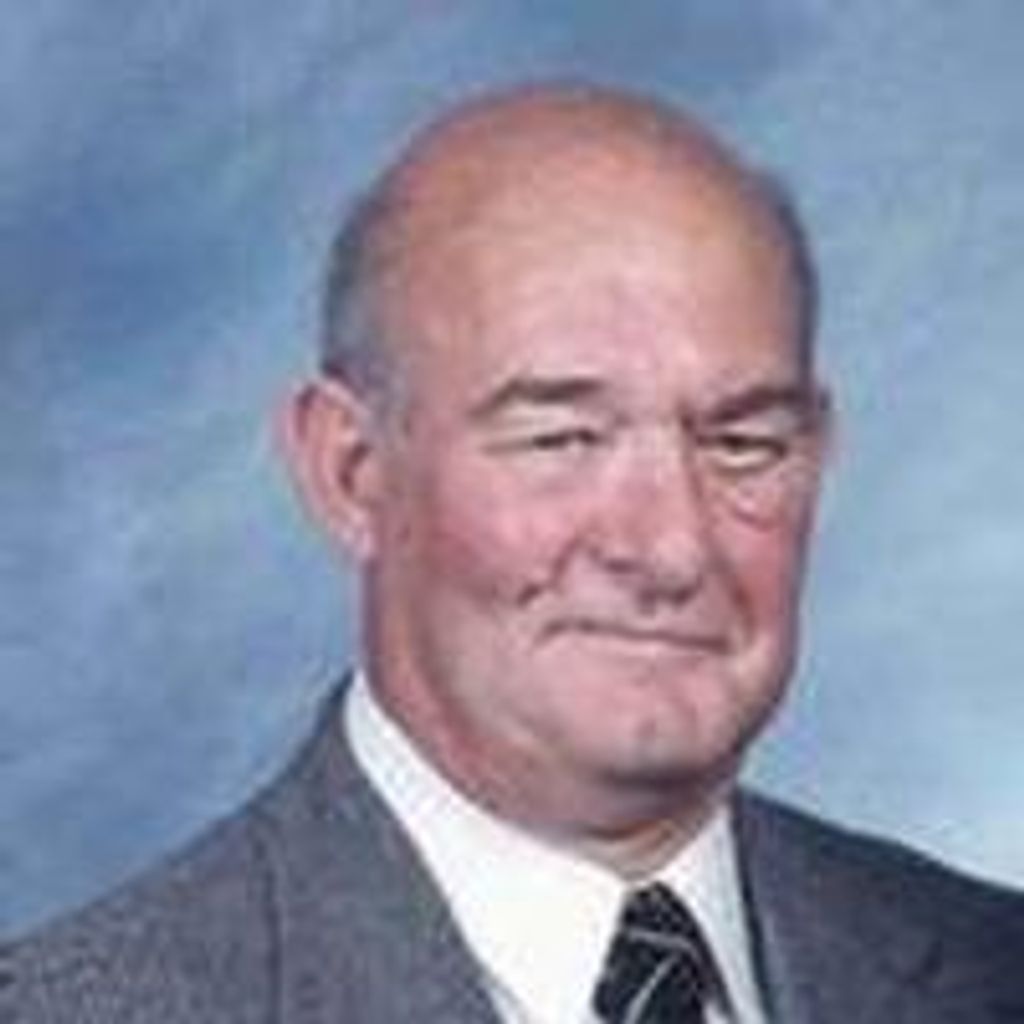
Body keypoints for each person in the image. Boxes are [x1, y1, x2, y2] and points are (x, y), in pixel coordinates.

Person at [6, 82, 1023, 1024]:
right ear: (352, 473)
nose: (671, 548)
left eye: (742, 443)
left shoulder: (991, 964)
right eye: (559, 438)